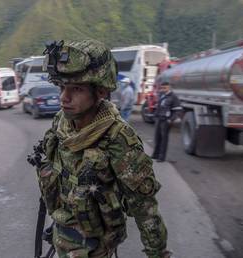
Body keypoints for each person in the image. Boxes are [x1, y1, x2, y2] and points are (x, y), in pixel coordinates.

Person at [36, 39, 171, 258]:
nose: (64, 97)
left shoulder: (117, 139)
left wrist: (158, 253)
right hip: (61, 236)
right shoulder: (62, 122)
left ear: (100, 92)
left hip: (94, 249)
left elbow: (145, 209)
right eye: (62, 87)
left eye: (76, 89)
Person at [152, 82, 182, 162]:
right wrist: (155, 116)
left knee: (164, 139)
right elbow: (158, 107)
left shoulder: (173, 97)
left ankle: (161, 157)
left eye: (165, 88)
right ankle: (155, 154)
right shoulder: (162, 95)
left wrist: (170, 120)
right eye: (162, 88)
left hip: (166, 120)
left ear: (169, 88)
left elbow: (178, 110)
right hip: (159, 119)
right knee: (157, 137)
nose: (163, 89)